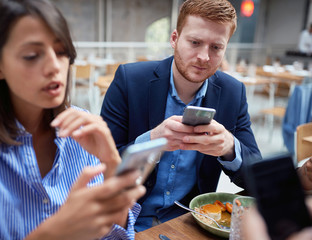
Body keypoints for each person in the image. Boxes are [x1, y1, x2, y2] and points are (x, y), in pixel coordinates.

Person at [0, 0, 146, 239]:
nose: (55, 66)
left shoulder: (83, 125)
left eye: (62, 51)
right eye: (32, 55)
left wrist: (112, 166)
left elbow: (115, 236)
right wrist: (59, 230)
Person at [101, 0, 261, 231]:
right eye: (195, 42)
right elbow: (101, 166)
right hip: (127, 219)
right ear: (174, 38)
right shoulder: (130, 80)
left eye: (216, 47)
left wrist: (229, 147)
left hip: (190, 221)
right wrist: (152, 141)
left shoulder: (232, 93)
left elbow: (258, 178)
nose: (204, 57)